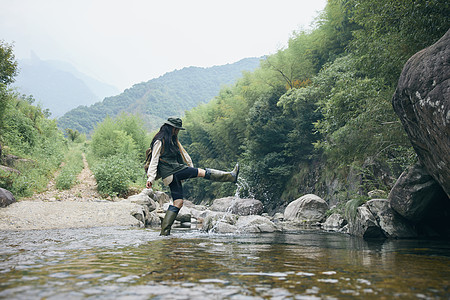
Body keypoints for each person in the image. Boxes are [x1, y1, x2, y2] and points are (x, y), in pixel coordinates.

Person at [146, 117, 239, 235]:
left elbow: (183, 153)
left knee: (178, 203)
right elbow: (154, 160)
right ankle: (230, 176)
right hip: (172, 171)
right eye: (177, 129)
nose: (178, 131)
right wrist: (151, 178)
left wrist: (190, 166)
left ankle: (164, 233)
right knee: (201, 172)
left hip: (173, 173)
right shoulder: (159, 140)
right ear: (172, 128)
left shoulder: (173, 139)